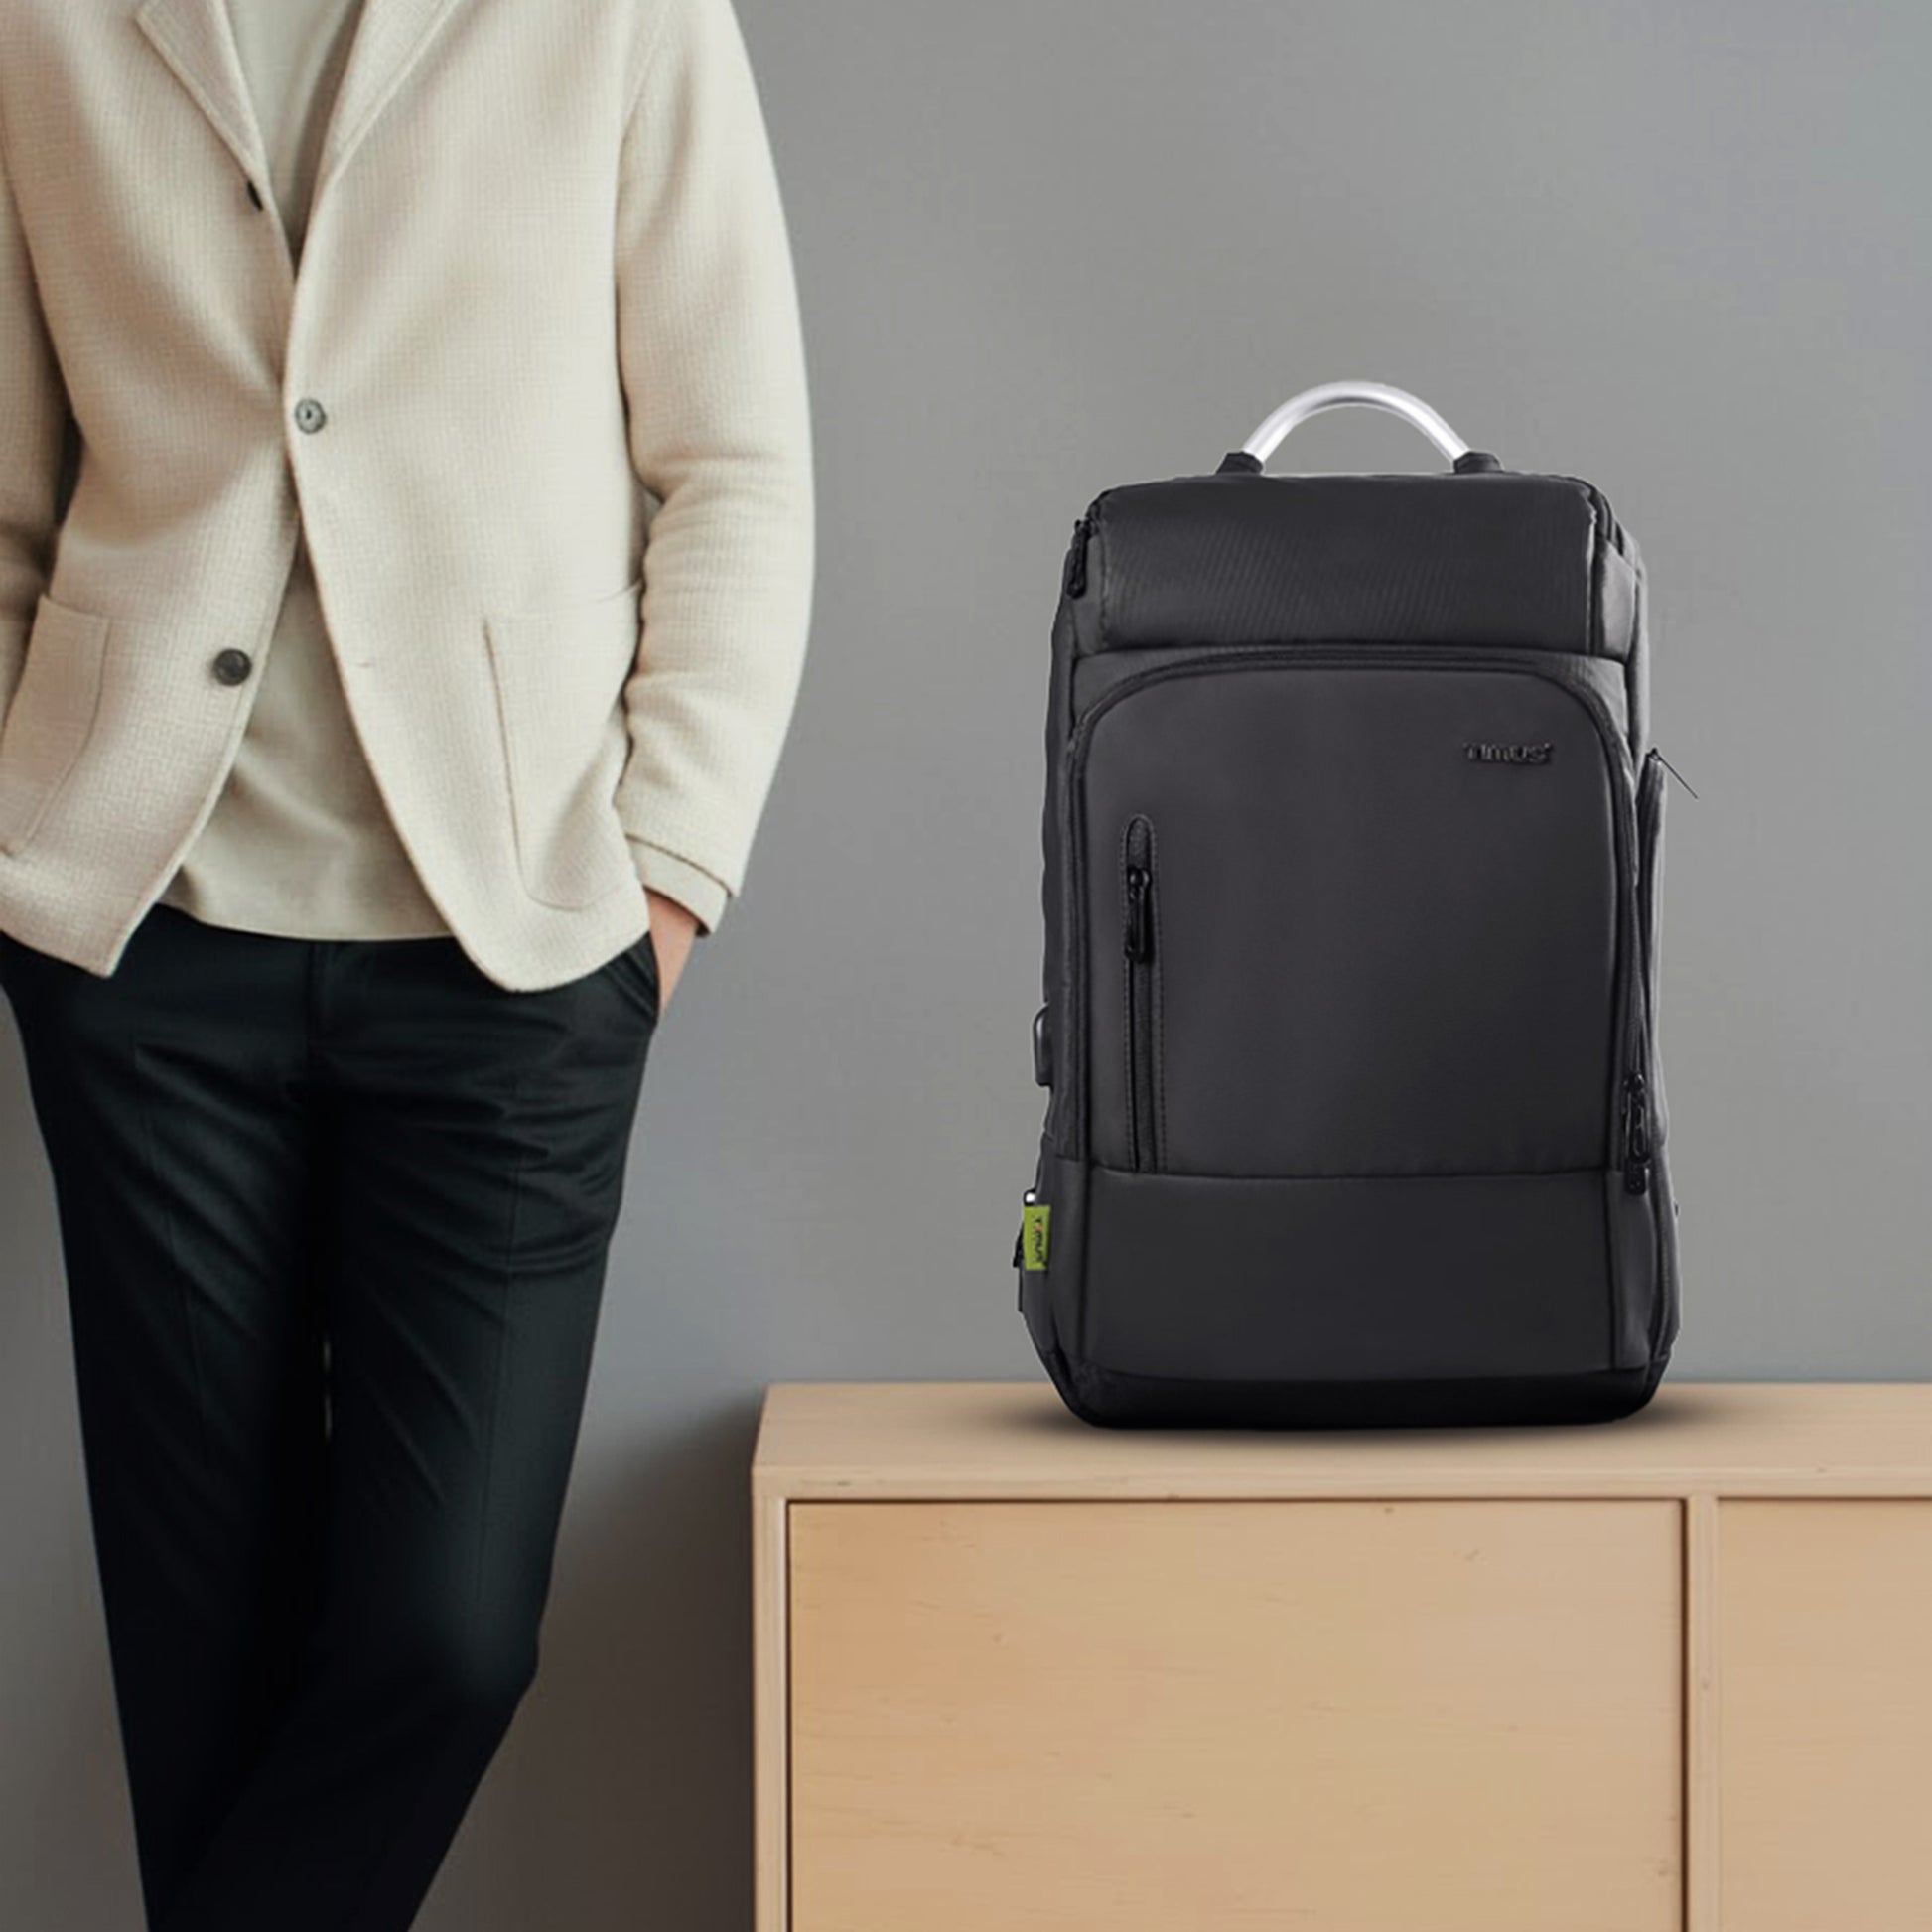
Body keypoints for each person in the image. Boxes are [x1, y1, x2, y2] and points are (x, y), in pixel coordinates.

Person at [0, 0, 813, 1924]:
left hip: (513, 949)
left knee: (447, 1634)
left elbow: (737, 461)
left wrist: (665, 881)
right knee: (205, 1683)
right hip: (143, 951)